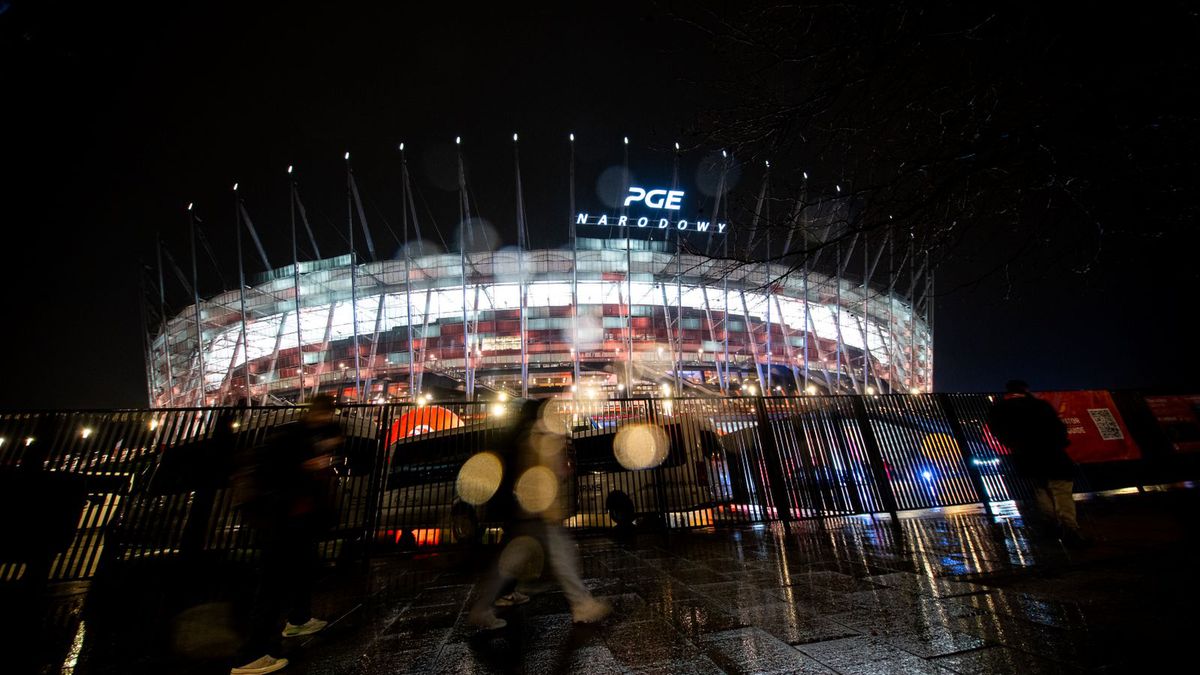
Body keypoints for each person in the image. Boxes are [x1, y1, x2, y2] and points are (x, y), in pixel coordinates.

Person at [468, 398, 610, 630]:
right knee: (562, 557)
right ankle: (582, 604)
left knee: (509, 562)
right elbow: (550, 473)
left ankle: (481, 608)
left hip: (530, 511)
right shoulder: (544, 436)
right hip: (542, 511)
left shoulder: (530, 434)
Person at [230, 395, 343, 675]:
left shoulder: (307, 434)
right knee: (272, 587)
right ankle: (249, 657)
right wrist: (310, 465)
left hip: (296, 522)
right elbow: (280, 473)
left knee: (303, 570)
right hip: (280, 522)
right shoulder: (291, 437)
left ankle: (298, 620)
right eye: (327, 415)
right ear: (320, 412)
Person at [986, 380, 1089, 547]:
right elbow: (1058, 426)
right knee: (1061, 489)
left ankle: (1050, 525)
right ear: (1025, 389)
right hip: (1052, 452)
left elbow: (996, 430)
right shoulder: (1039, 405)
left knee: (1040, 489)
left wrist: (1013, 444)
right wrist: (1060, 442)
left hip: (1025, 454)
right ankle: (1069, 528)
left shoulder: (999, 409)